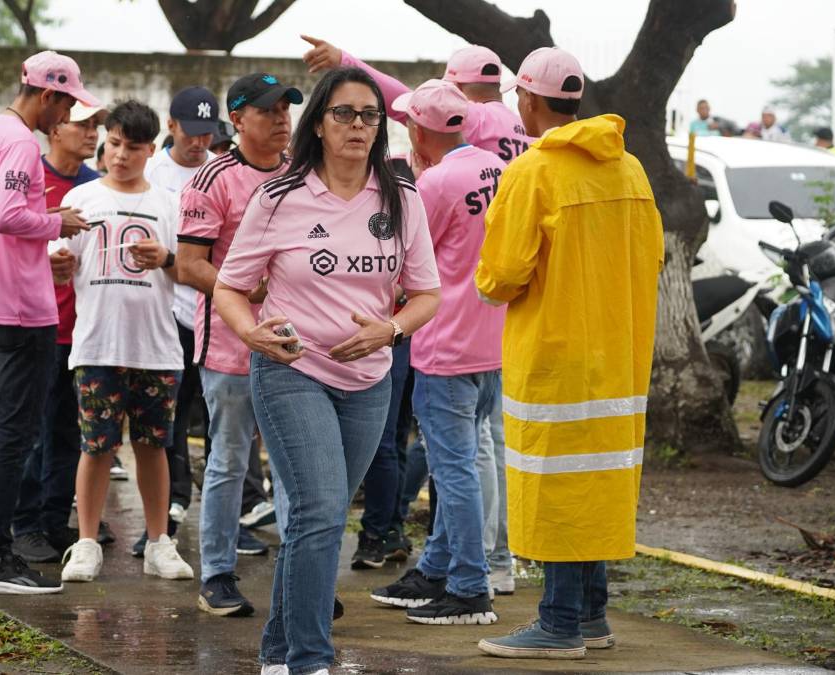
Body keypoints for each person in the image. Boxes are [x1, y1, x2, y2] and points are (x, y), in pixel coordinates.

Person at [215, 66, 440, 675]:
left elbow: (425, 294)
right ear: (318, 122)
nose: (358, 125)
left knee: (322, 517)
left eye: (370, 115)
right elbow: (231, 289)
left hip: (370, 383)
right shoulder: (280, 195)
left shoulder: (401, 198)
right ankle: (311, 659)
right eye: (344, 113)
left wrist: (390, 329)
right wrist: (250, 331)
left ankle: (277, 651)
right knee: (317, 510)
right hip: (292, 372)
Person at [473, 47, 664, 660]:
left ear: (527, 100)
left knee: (556, 483)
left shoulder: (534, 173)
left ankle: (557, 623)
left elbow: (500, 275)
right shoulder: (629, 169)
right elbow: (653, 255)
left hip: (555, 353)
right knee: (597, 479)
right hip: (620, 354)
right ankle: (591, 616)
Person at [0, 50, 97, 595]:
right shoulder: (19, 144)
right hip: (20, 310)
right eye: (67, 104)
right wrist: (56, 220)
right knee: (15, 435)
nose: (67, 118)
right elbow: (5, 216)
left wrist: (25, 244)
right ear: (46, 94)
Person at [367, 79, 506, 625]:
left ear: (419, 129)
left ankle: (471, 587)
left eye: (408, 124)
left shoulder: (435, 183)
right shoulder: (498, 168)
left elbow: (406, 264)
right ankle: (438, 566)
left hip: (445, 343)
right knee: (462, 464)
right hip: (491, 340)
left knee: (454, 471)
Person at [178, 72, 302, 617]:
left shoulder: (303, 175)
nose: (281, 119)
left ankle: (304, 576)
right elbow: (188, 265)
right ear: (238, 119)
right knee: (230, 459)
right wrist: (241, 289)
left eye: (286, 110)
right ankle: (217, 574)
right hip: (230, 348)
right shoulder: (213, 179)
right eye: (269, 110)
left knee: (299, 463)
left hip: (296, 347)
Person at [56, 100, 195, 584]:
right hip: (96, 343)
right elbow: (59, 260)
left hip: (156, 347)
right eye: (114, 144)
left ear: (150, 150)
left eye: (132, 148)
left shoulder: (168, 205)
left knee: (154, 446)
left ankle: (159, 541)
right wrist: (57, 265)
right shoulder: (83, 200)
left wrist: (166, 257)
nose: (120, 155)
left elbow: (189, 271)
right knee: (95, 446)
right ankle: (87, 541)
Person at [11, 101, 107, 564]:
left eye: (96, 126)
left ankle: (53, 520)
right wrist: (41, 261)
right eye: (82, 124)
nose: (92, 133)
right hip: (35, 323)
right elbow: (3, 241)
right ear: (55, 130)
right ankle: (23, 523)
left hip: (82, 329)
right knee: (31, 432)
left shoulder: (97, 187)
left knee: (70, 434)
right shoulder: (30, 179)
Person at [140, 85, 217, 554]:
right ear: (171, 126)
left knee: (213, 416)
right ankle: (169, 506)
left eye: (207, 135)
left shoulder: (218, 171)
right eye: (191, 133)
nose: (199, 143)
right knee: (165, 415)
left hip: (211, 309)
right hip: (166, 310)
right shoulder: (153, 174)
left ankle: (224, 509)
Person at [302, 36, 535, 161]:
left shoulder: (475, 117)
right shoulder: (522, 129)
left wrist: (344, 60)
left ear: (457, 88)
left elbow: (404, 101)